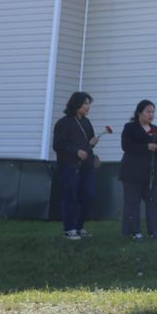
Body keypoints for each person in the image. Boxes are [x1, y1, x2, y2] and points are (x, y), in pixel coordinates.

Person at [52, 91, 102, 241]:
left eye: (89, 104)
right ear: (76, 104)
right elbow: (58, 145)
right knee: (71, 195)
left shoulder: (87, 122)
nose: (88, 107)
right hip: (70, 166)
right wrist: (76, 151)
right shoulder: (63, 123)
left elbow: (88, 145)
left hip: (87, 165)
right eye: (85, 103)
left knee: (89, 195)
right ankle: (69, 229)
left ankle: (79, 227)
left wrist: (92, 146)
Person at [119, 100, 157, 240]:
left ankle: (153, 231)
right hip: (133, 172)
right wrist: (146, 147)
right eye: (148, 112)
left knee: (154, 202)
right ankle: (134, 231)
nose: (151, 115)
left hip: (151, 173)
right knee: (133, 202)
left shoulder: (155, 129)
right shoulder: (130, 127)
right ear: (139, 113)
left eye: (153, 112)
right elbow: (126, 146)